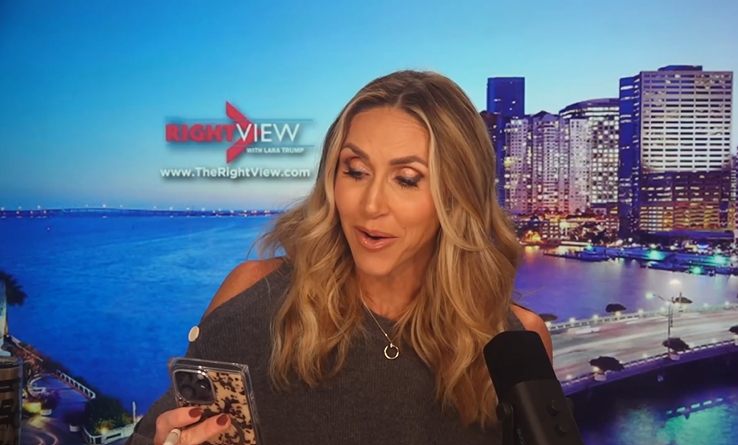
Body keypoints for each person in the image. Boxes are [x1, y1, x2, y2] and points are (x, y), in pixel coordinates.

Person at [126, 70, 553, 445]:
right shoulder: (253, 296)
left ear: (458, 196)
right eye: (356, 171)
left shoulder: (516, 343)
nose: (371, 205)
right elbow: (156, 431)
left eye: (407, 179)